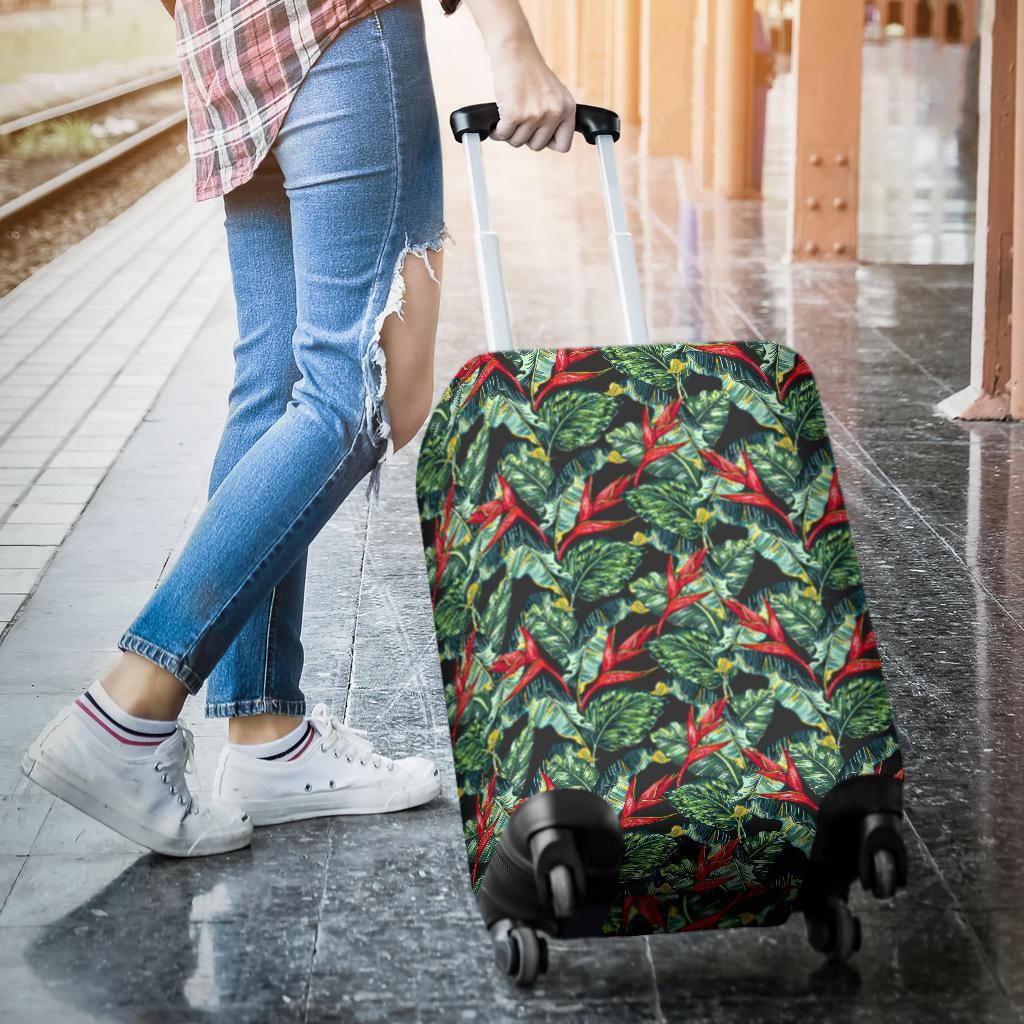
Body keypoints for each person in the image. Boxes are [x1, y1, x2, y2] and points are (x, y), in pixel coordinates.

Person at [22, 0, 576, 857]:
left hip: (228, 51)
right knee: (362, 391)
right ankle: (128, 710)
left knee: (276, 383)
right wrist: (512, 43)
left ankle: (265, 735)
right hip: (341, 27)